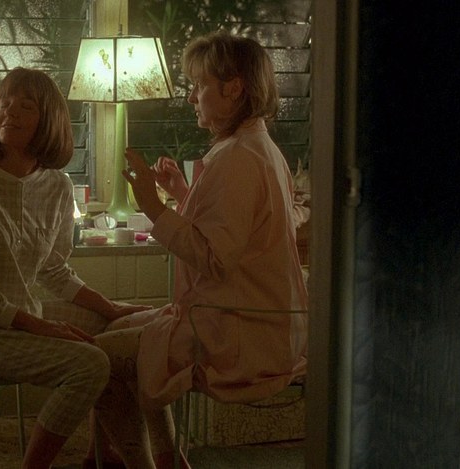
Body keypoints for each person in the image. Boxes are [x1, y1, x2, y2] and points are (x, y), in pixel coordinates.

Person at [91, 31, 309, 468]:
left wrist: (153, 207)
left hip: (237, 331)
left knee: (98, 358)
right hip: (250, 319)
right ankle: (167, 460)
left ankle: (140, 463)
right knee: (121, 328)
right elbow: (237, 234)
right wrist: (183, 193)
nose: (192, 97)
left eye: (199, 85)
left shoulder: (238, 158)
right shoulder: (258, 148)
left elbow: (215, 258)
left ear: (233, 89)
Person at [0, 67, 147, 468]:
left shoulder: (57, 186)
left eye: (25, 106)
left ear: (50, 121)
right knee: (90, 364)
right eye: (4, 103)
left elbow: (54, 269)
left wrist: (111, 308)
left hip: (17, 314)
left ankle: (102, 454)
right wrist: (42, 326)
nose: (9, 112)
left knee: (115, 331)